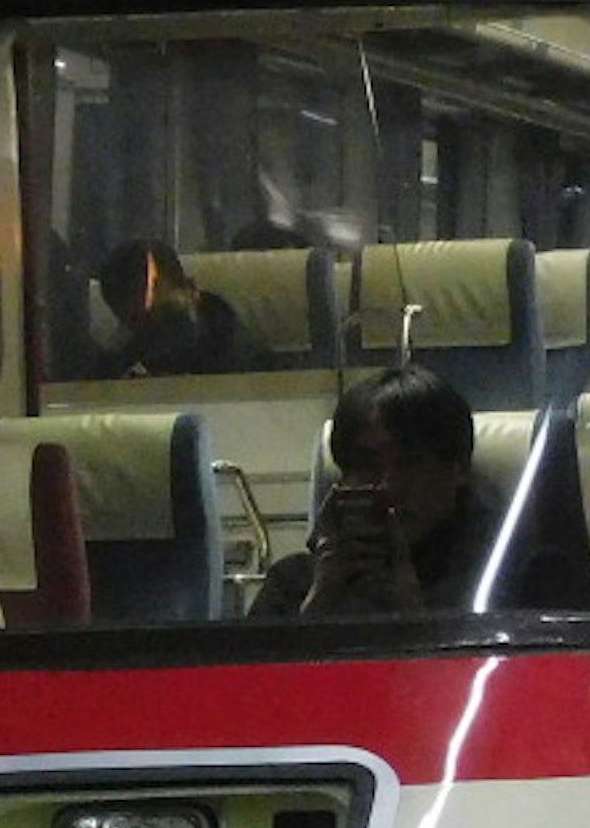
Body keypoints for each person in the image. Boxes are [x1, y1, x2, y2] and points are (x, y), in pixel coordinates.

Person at [256, 365, 492, 617]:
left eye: (410, 463)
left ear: (458, 470)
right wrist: (318, 609)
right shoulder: (291, 583)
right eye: (367, 466)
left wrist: (414, 616)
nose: (389, 486)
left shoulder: (502, 579)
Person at [94, 239, 246, 375]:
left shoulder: (247, 366)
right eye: (143, 326)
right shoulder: (118, 370)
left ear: (191, 290)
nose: (161, 334)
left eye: (169, 315)